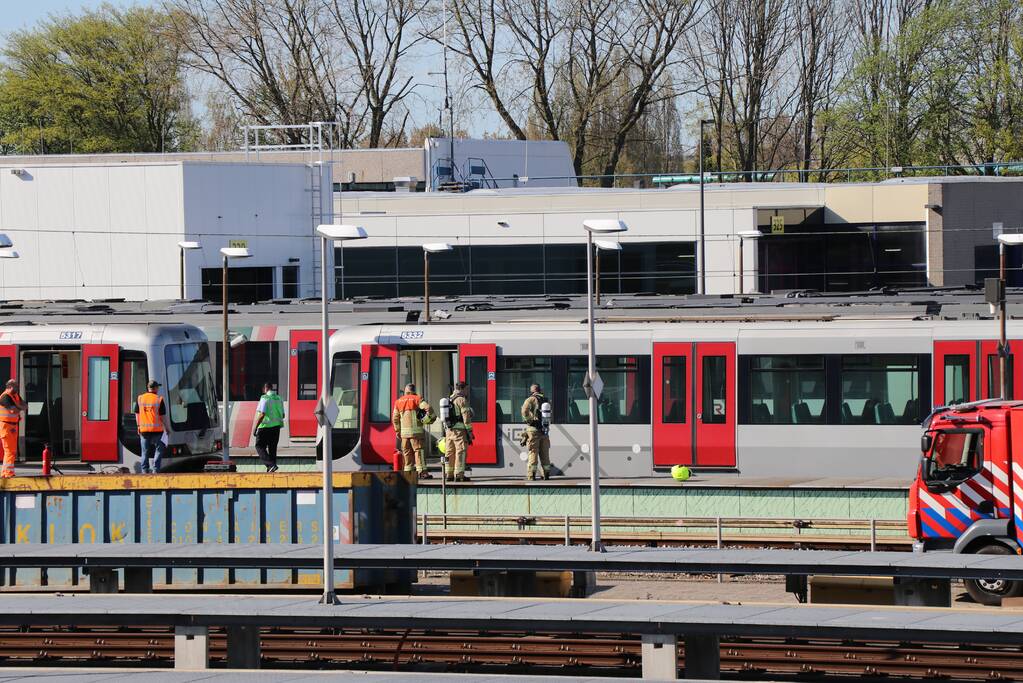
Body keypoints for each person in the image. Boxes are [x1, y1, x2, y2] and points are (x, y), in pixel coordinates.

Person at [391, 383, 436, 478]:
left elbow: (395, 418)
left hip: (404, 434)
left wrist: (397, 431)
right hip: (416, 433)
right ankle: (422, 473)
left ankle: (408, 474)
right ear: (414, 391)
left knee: (407, 453)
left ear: (405, 391)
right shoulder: (417, 399)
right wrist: (431, 418)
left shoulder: (398, 401)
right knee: (419, 451)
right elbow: (428, 408)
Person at [134, 380, 168, 474]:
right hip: (157, 430)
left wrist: (138, 426)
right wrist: (167, 428)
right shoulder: (159, 399)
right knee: (159, 450)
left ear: (148, 388)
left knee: (144, 451)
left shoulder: (140, 398)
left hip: (144, 430)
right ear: (156, 388)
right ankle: (155, 470)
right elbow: (162, 417)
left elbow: (137, 414)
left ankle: (144, 470)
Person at [521, 383, 551, 481]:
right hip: (544, 431)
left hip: (533, 430)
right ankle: (546, 474)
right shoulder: (546, 400)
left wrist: (529, 420)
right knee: (545, 454)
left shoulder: (530, 399)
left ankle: (531, 475)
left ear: (532, 390)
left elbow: (524, 410)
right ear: (540, 390)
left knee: (533, 452)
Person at [444, 381, 473, 482]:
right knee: (460, 451)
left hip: (449, 431)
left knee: (449, 452)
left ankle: (449, 474)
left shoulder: (449, 398)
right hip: (459, 431)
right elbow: (466, 418)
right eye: (466, 389)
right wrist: (470, 432)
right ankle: (459, 475)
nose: (467, 392)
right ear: (462, 389)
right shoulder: (461, 400)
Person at [253, 382, 285, 473]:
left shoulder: (264, 398)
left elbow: (262, 414)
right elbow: (283, 415)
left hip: (265, 427)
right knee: (272, 448)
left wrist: (255, 427)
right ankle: (272, 469)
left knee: (259, 446)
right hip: (276, 428)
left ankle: (270, 465)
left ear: (265, 389)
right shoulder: (279, 398)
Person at [0, 379, 27, 478]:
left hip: (13, 426)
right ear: (10, 387)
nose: (17, 388)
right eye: (16, 386)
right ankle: (8, 473)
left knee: (12, 451)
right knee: (9, 451)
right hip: (6, 427)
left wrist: (18, 406)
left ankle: (5, 473)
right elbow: (14, 410)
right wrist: (19, 407)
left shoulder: (15, 396)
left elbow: (25, 406)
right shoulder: (5, 397)